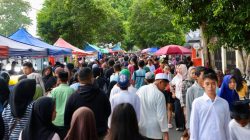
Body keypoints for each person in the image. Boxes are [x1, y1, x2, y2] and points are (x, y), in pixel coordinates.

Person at [64, 67, 111, 139]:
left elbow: (67, 119)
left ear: (78, 79)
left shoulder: (73, 97)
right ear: (91, 77)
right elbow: (108, 111)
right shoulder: (102, 94)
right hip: (100, 133)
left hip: (80, 134)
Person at [190, 68, 230, 140]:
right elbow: (194, 126)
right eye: (207, 84)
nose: (210, 87)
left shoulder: (224, 103)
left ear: (217, 84)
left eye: (213, 83)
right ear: (203, 84)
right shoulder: (197, 103)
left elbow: (227, 126)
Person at [136, 73, 169, 140]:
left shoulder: (141, 89)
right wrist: (165, 133)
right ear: (160, 82)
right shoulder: (160, 95)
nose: (165, 88)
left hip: (141, 129)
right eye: (165, 85)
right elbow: (161, 116)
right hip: (154, 132)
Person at [50, 71, 74, 138]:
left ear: (59, 79)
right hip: (68, 119)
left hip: (56, 120)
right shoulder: (72, 90)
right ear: (68, 79)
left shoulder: (54, 90)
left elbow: (50, 104)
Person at [170, 64, 187, 131]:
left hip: (185, 97)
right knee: (177, 112)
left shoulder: (187, 77)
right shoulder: (176, 77)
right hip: (178, 97)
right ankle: (179, 125)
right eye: (178, 68)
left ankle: (185, 126)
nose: (179, 70)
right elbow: (171, 85)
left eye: (180, 68)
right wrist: (173, 93)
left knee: (185, 113)